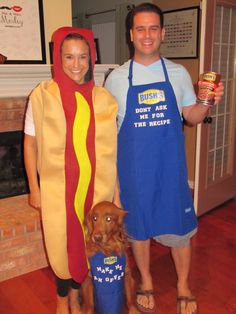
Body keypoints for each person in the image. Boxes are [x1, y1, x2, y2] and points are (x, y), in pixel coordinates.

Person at [105, 3, 224, 314]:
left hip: (170, 171)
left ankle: (183, 285)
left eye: (153, 28)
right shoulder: (116, 79)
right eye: (140, 28)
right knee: (139, 229)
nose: (147, 35)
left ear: (162, 33)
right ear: (131, 34)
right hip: (133, 173)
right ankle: (145, 281)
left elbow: (193, 117)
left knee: (179, 229)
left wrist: (207, 102)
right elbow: (108, 135)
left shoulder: (178, 73)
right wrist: (115, 184)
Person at [24, 27, 118, 314]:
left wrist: (114, 193)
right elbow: (30, 145)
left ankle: (77, 295)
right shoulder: (42, 96)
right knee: (59, 244)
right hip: (57, 190)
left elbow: (112, 152)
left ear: (91, 59)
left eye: (82, 57)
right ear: (58, 58)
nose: (76, 65)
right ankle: (62, 297)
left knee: (86, 243)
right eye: (69, 57)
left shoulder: (103, 99)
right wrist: (34, 189)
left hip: (94, 188)